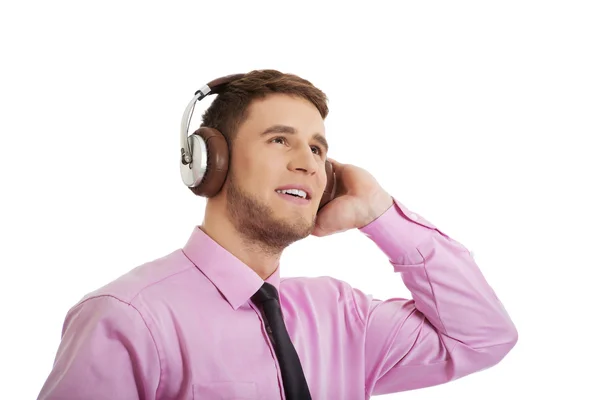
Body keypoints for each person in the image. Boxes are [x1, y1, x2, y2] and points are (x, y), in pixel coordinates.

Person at [37, 69, 518, 399]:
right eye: (280, 140)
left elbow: (484, 339)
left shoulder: (343, 317)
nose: (306, 162)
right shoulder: (127, 319)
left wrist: (380, 213)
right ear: (209, 162)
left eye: (317, 148)